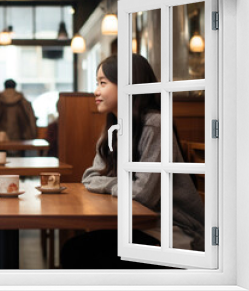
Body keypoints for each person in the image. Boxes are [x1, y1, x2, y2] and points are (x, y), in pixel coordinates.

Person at [60, 54, 205, 269]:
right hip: (139, 225)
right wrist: (119, 186)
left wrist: (111, 185)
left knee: (77, 253)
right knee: (74, 250)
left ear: (129, 84)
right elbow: (89, 177)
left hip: (173, 231)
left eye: (102, 83)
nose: (96, 91)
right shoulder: (115, 127)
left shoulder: (155, 125)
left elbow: (142, 195)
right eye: (96, 83)